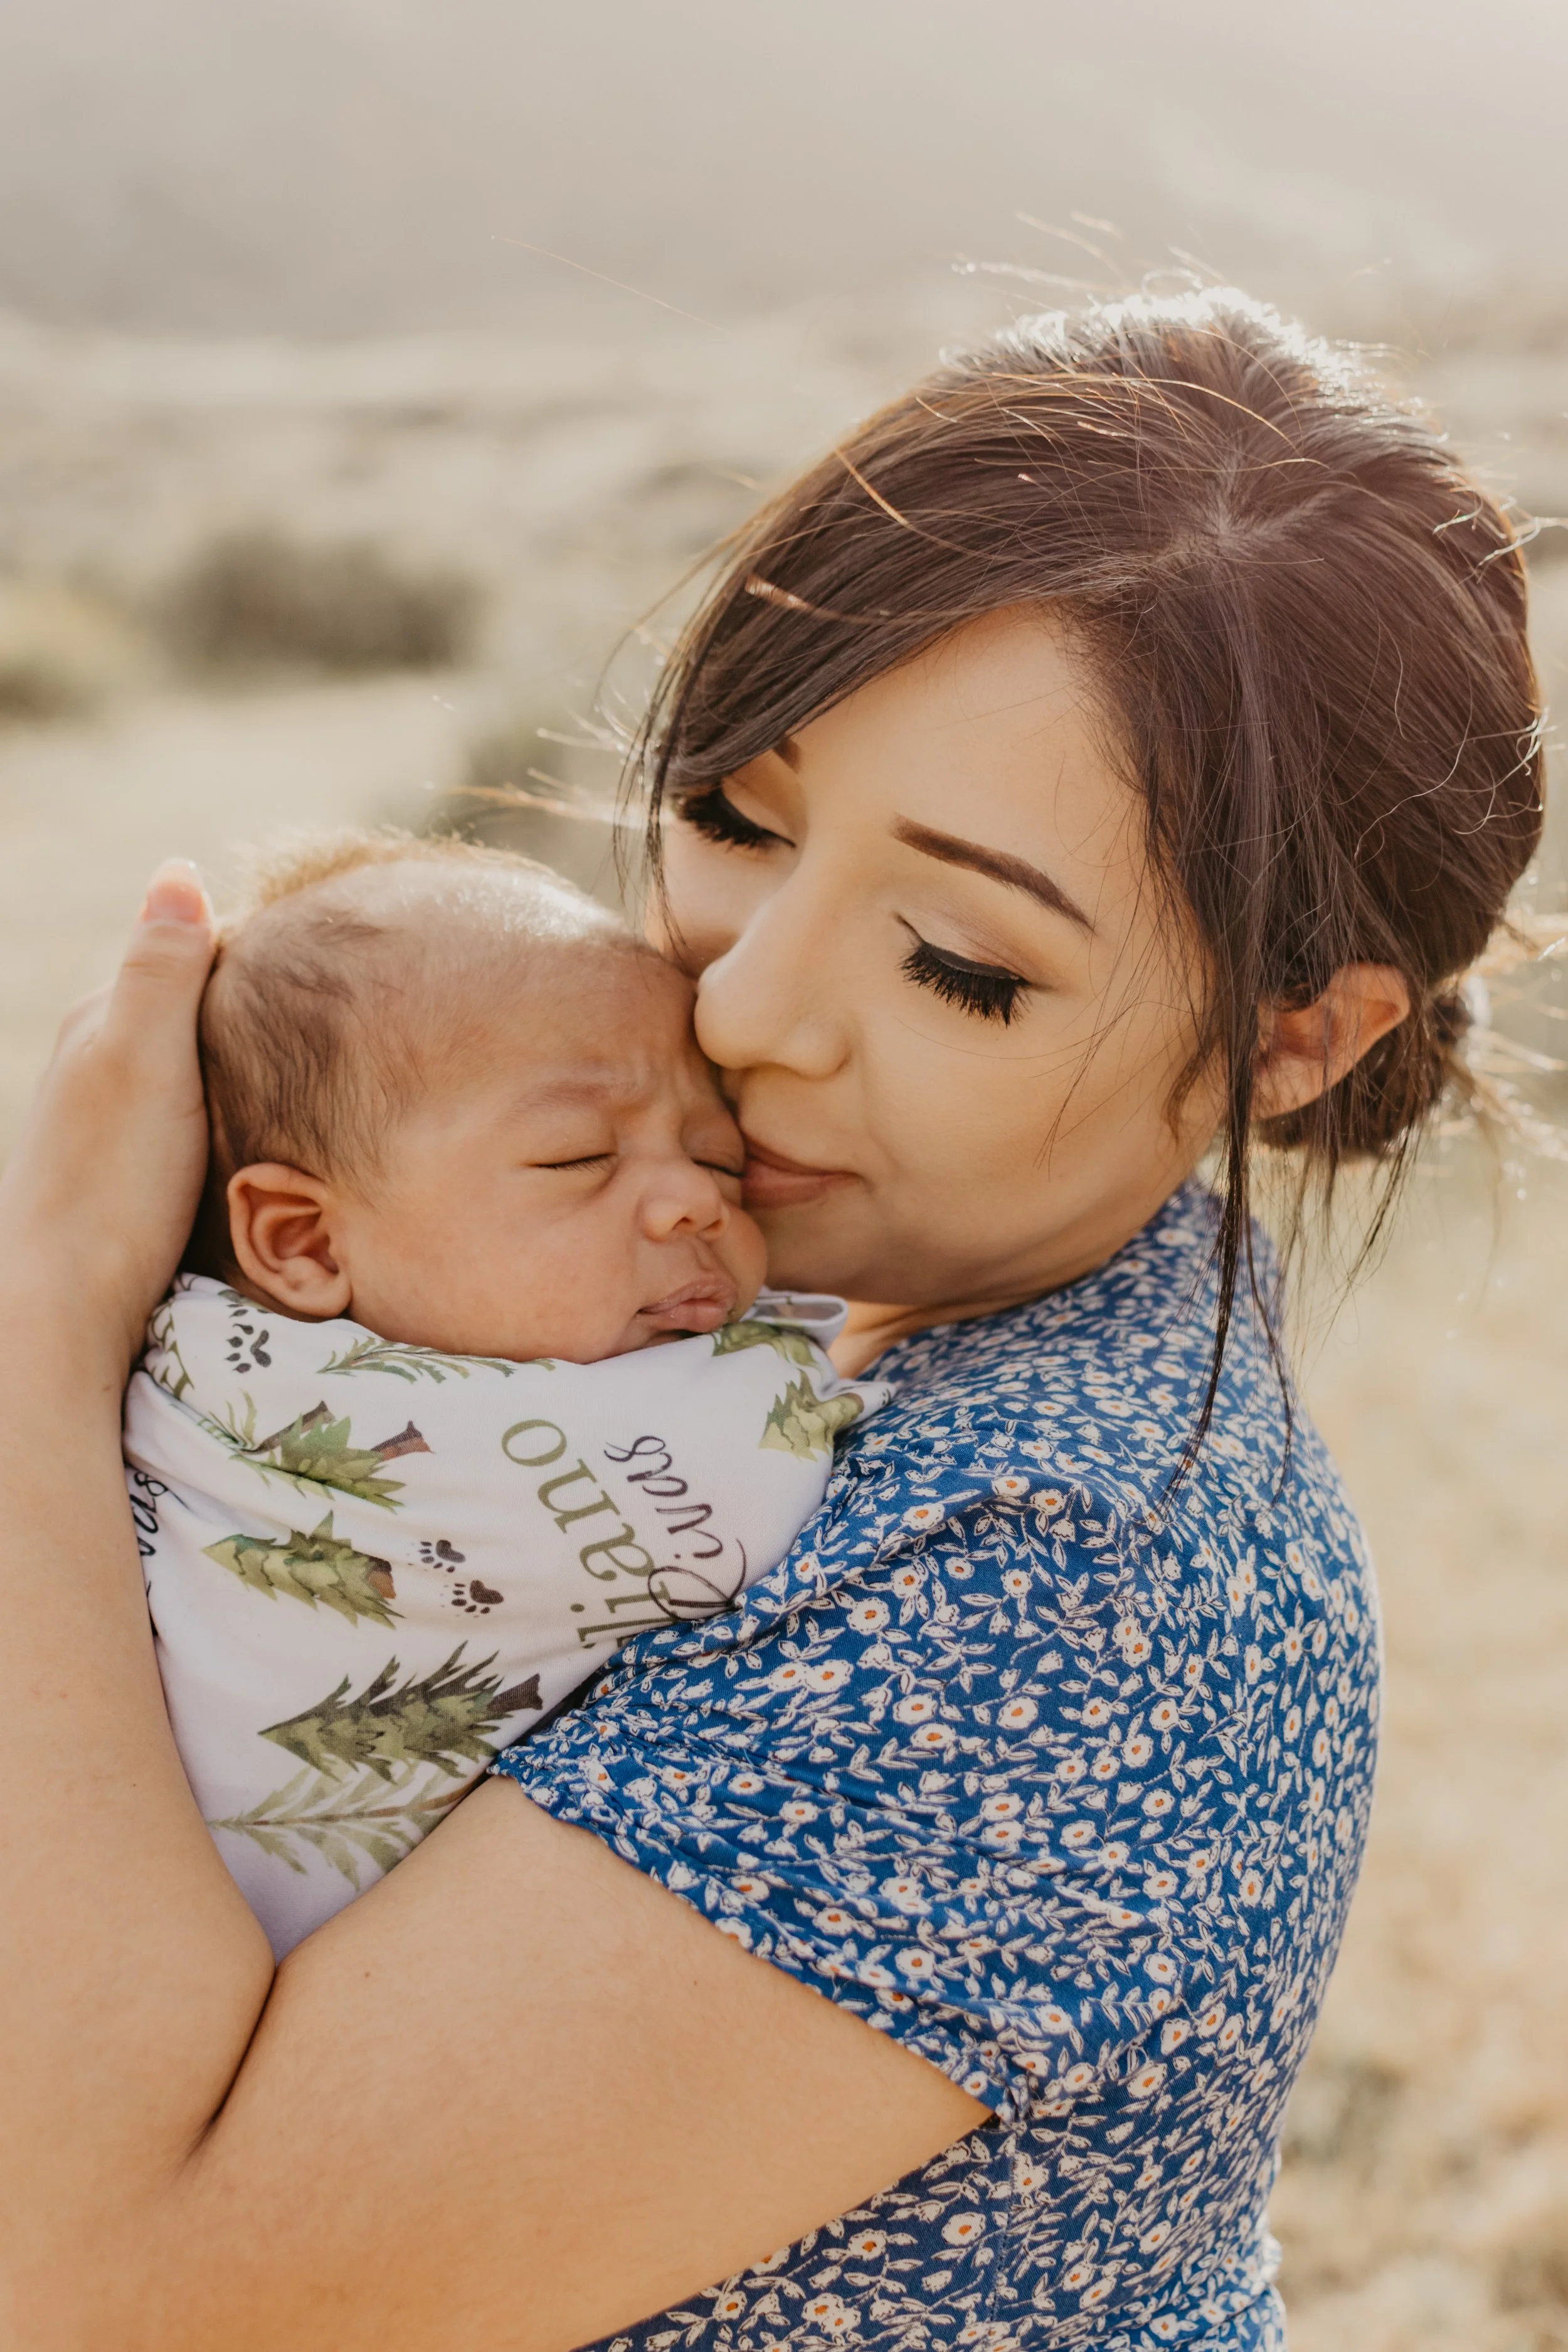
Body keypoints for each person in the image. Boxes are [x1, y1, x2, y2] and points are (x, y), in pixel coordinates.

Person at [0, 289, 1542, 2352]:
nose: (738, 1007)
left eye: (959, 963)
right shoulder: (786, 1321)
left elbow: (118, 2299)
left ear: (1291, 1037)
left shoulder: (1050, 1597)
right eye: (740, 817)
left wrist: (43, 1311)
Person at [126, 830, 882, 1957]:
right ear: (302, 1241)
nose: (694, 1204)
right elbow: (761, 1464)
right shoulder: (538, 1449)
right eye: (578, 1157)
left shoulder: (167, 1339)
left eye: (721, 1160)